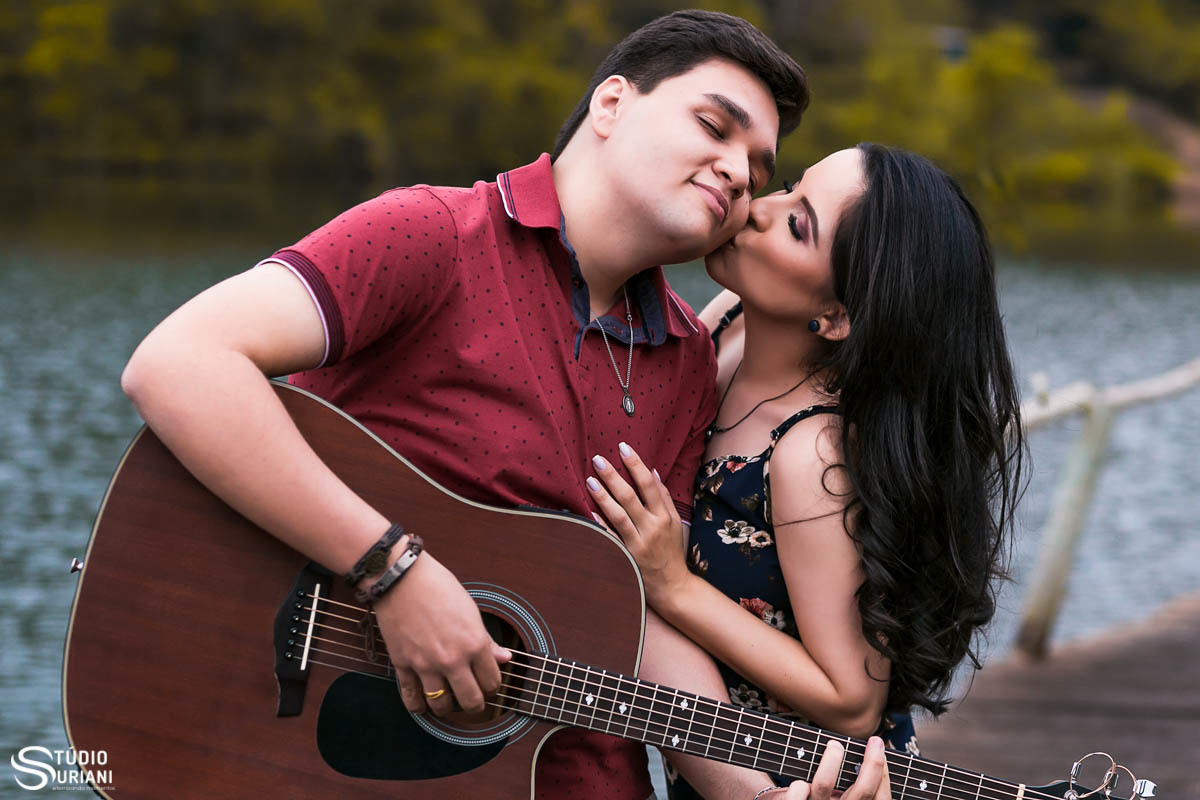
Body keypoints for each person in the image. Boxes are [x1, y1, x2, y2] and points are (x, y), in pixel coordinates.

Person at [119, 8, 896, 800]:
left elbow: (637, 614)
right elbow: (179, 364)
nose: (738, 172)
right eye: (713, 126)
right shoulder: (432, 236)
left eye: (759, 170)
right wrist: (395, 572)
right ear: (612, 104)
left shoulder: (687, 360)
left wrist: (752, 794)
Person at [586, 143, 1025, 796]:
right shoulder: (728, 326)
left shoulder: (811, 452)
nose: (758, 209)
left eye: (797, 223)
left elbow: (852, 700)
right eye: (789, 188)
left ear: (838, 316)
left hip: (806, 783)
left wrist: (672, 585)